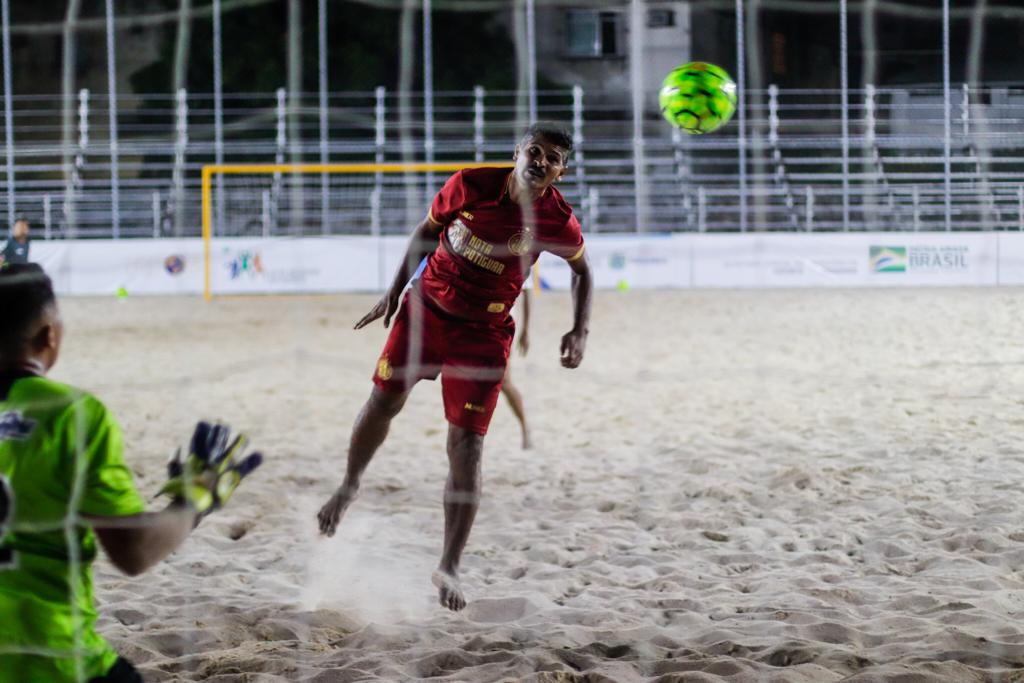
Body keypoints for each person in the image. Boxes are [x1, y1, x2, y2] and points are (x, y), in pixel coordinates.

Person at [317, 123, 593, 611]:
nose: (540, 161)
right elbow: (426, 232)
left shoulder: (557, 221)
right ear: (516, 153)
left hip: (483, 334)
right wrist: (393, 291)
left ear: (561, 172)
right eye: (534, 150)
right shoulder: (469, 184)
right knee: (383, 400)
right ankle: (349, 484)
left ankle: (449, 565)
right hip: (426, 312)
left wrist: (579, 329)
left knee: (466, 446)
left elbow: (583, 271)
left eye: (552, 158)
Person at [0, 264, 262, 683]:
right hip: (49, 658)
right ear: (49, 335)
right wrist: (196, 500)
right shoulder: (71, 413)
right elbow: (133, 552)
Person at [501, 288, 532, 450]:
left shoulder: (520, 262)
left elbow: (527, 292)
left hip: (502, 325)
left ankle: (525, 428)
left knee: (504, 382)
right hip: (473, 323)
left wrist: (525, 330)